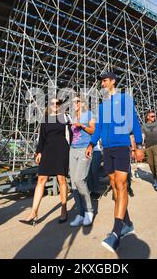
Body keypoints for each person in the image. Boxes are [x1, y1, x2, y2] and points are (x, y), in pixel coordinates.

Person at [85, 72, 144, 254]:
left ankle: (116, 234)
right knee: (114, 186)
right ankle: (127, 223)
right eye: (101, 81)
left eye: (104, 80)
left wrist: (139, 144)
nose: (102, 83)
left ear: (113, 82)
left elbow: (133, 120)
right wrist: (91, 143)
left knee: (121, 185)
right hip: (107, 149)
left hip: (121, 146)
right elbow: (100, 127)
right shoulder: (102, 106)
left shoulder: (124, 98)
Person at [20, 98, 72, 225]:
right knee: (41, 180)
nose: (55, 105)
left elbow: (71, 135)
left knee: (61, 180)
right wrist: (39, 152)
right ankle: (34, 212)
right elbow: (41, 138)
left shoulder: (65, 118)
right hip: (47, 151)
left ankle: (64, 210)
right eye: (53, 103)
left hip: (61, 150)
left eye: (58, 103)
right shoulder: (45, 120)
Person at [69, 96, 96, 227]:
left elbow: (94, 130)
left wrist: (82, 126)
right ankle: (80, 214)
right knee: (74, 184)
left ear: (82, 103)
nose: (74, 103)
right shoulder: (72, 117)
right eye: (73, 102)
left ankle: (89, 211)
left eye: (77, 101)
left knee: (80, 180)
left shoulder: (88, 114)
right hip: (72, 150)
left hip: (85, 148)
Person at [142, 111, 157, 191]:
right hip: (148, 146)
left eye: (154, 116)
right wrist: (142, 146)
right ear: (147, 117)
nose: (153, 117)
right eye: (152, 116)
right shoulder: (144, 126)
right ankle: (155, 178)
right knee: (151, 163)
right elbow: (143, 136)